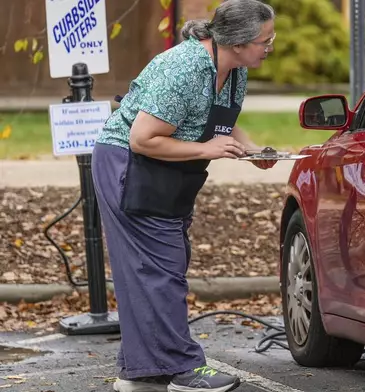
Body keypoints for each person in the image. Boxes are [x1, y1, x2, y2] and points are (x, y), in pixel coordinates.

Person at [90, 1, 277, 391]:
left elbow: (219, 120)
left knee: (155, 269)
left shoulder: (233, 69)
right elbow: (143, 139)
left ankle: (140, 371)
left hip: (170, 173)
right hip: (130, 165)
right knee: (160, 271)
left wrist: (252, 150)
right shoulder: (186, 68)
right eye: (266, 41)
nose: (270, 48)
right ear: (239, 43)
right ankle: (184, 369)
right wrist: (209, 149)